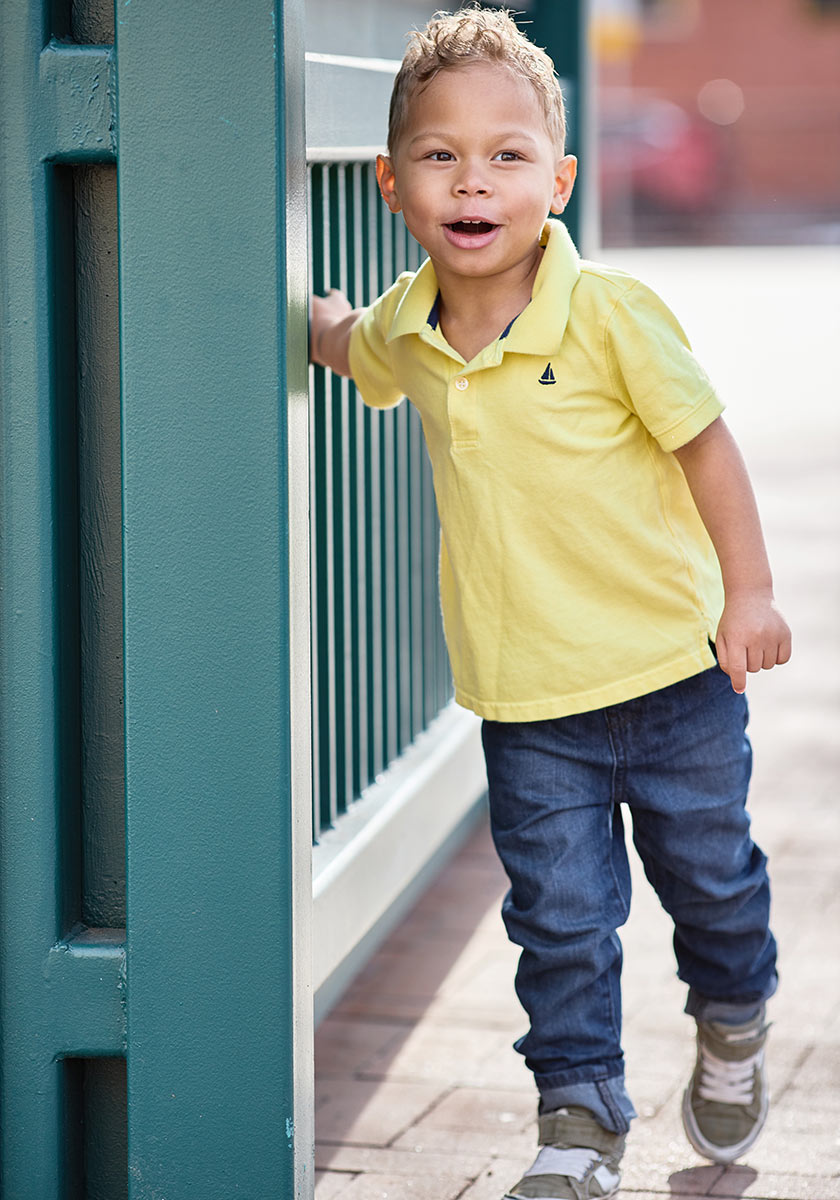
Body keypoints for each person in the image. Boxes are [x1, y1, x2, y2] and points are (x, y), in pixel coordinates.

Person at [310, 8, 791, 1198]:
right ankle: (578, 1119)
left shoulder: (613, 315)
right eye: (439, 155)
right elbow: (353, 346)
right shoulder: (411, 329)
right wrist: (311, 322)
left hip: (677, 680)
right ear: (390, 181)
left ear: (558, 178)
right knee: (561, 925)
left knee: (712, 884)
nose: (474, 181)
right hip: (529, 705)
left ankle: (734, 1011)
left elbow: (708, 448)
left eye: (508, 155)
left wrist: (752, 592)